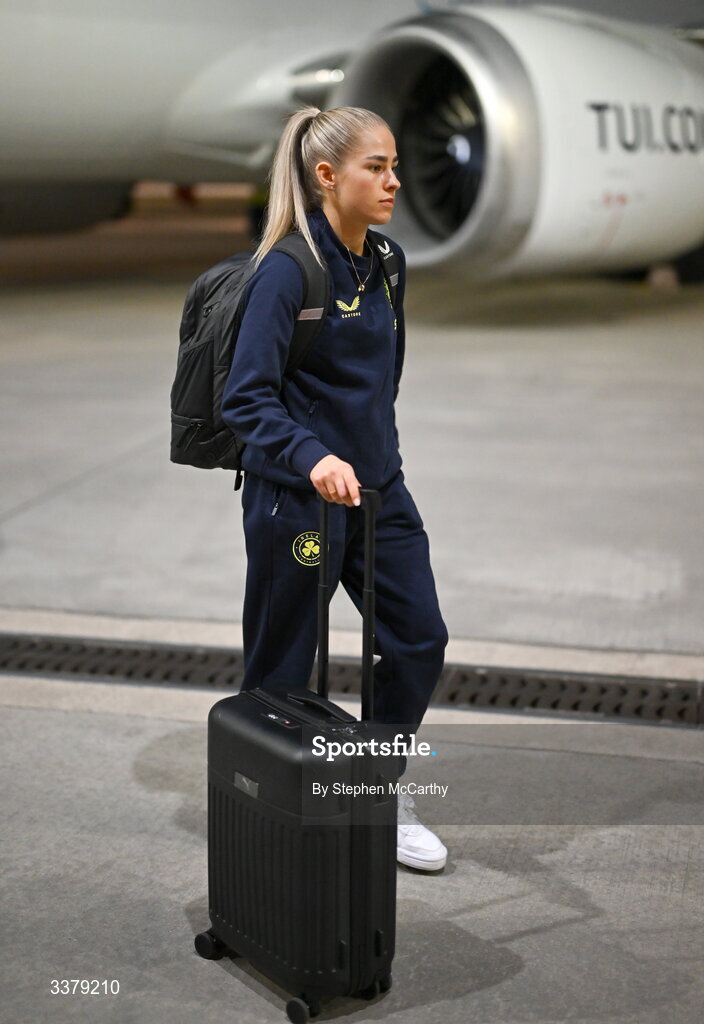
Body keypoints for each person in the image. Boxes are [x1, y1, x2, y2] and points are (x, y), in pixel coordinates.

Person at [220, 105, 449, 872]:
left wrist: (371, 456)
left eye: (393, 166)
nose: (392, 181)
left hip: (380, 493)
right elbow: (245, 399)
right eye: (374, 168)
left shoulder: (386, 261)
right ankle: (268, 822)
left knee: (419, 639)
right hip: (301, 503)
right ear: (327, 177)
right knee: (282, 670)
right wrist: (311, 453)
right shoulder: (288, 270)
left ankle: (374, 791)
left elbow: (381, 384)